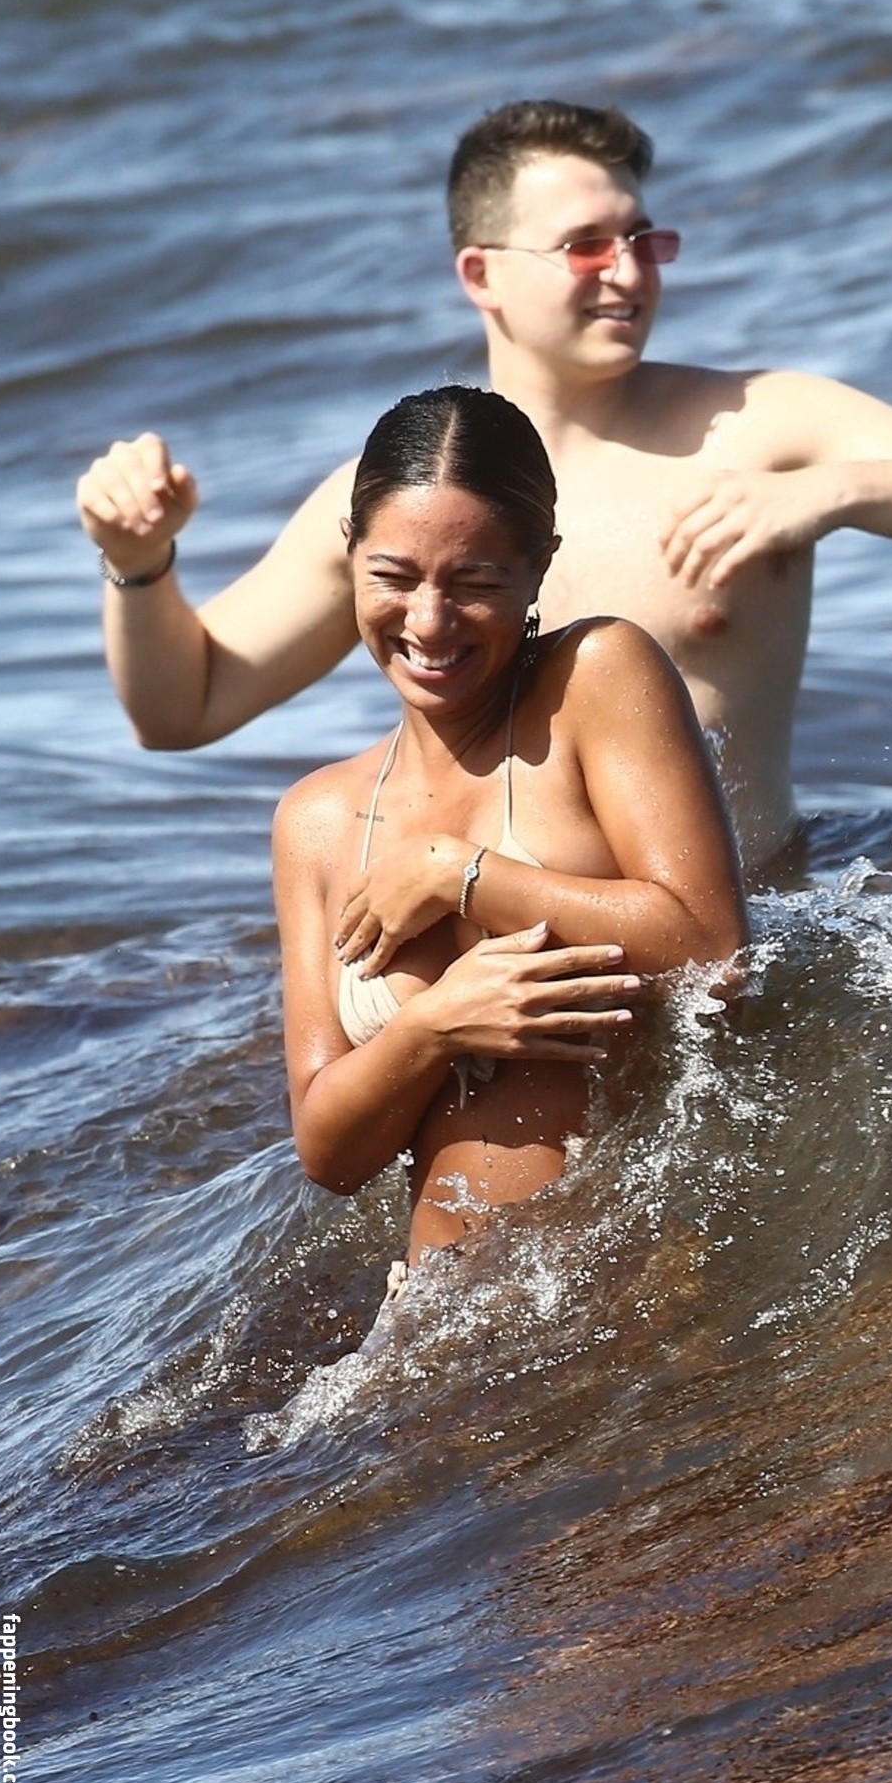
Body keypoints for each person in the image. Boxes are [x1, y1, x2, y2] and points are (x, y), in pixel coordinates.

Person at [78, 98, 892, 883]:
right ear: (480, 274)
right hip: (515, 961)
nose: (629, 271)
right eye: (586, 247)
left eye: (644, 239)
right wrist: (138, 563)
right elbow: (184, 708)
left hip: (734, 942)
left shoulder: (760, 425)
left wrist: (833, 493)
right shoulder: (404, 495)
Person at [273, 384, 747, 1272]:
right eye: (393, 577)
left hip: (647, 1282)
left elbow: (712, 948)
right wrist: (433, 1028)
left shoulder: (592, 679)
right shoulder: (318, 820)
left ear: (538, 567)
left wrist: (460, 874)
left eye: (476, 583)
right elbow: (329, 1153)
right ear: (350, 555)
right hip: (439, 1315)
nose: (428, 621)